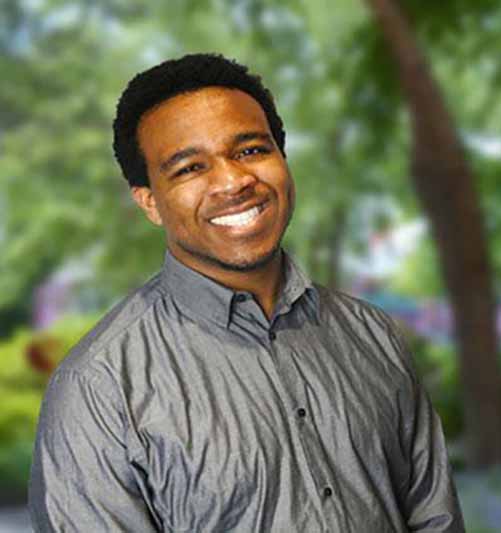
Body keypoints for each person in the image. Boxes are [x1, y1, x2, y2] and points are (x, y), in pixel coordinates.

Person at [28, 53, 465, 532]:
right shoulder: (100, 389)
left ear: (282, 158)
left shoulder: (373, 335)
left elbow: (435, 519)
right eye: (190, 168)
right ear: (150, 201)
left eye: (251, 151)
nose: (234, 181)